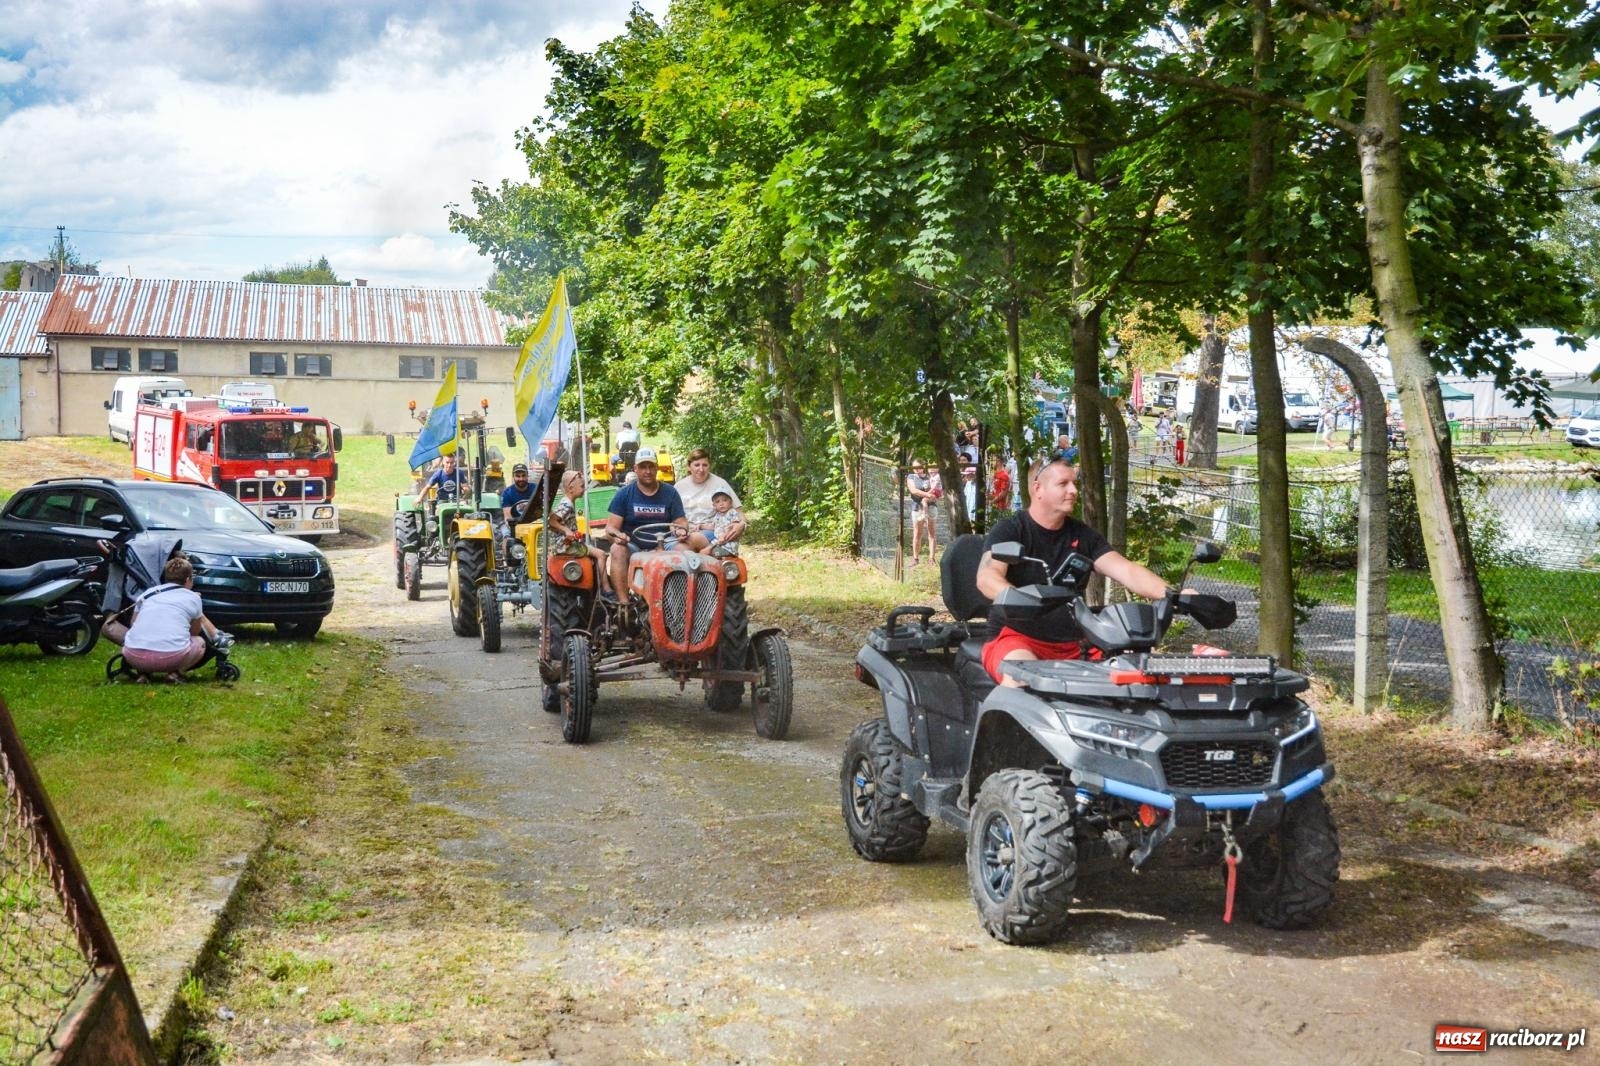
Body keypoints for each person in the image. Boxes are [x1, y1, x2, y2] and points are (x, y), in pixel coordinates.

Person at [975, 455, 1176, 686]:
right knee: (1022, 679)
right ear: (1037, 489)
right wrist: (1023, 600)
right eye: (1063, 484)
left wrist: (1175, 595)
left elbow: (1127, 570)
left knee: (1149, 677)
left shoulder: (1083, 535)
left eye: (1074, 483)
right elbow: (987, 578)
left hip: (1078, 643)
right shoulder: (1010, 530)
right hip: (1016, 639)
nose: (1073, 490)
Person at [117, 556, 224, 682]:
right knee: (199, 642)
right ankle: (175, 674)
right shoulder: (193, 598)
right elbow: (194, 632)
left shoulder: (148, 593)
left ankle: (143, 674)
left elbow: (133, 623)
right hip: (170, 657)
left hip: (133, 655)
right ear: (188, 579)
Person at [600, 447, 688, 601]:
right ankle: (624, 603)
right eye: (642, 467)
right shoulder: (624, 494)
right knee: (617, 549)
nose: (647, 471)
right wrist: (618, 536)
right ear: (635, 469)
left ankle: (680, 603)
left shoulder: (670, 493)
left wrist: (681, 530)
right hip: (634, 545)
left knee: (684, 549)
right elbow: (611, 527)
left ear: (656, 468)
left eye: (651, 466)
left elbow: (681, 522)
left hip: (664, 543)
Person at [549, 469, 613, 597]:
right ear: (571, 488)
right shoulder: (567, 505)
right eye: (582, 486)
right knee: (601, 555)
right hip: (566, 547)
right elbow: (552, 521)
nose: (584, 489)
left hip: (566, 544)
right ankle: (605, 589)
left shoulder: (567, 502)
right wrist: (567, 531)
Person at [675, 447, 742, 552]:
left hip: (711, 530)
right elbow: (671, 516)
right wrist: (678, 530)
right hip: (683, 531)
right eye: (697, 465)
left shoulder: (720, 484)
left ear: (709, 466)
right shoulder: (679, 487)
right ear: (689, 466)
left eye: (705, 465)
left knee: (688, 542)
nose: (701, 469)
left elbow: (740, 513)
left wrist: (741, 524)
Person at [906, 458, 938, 567]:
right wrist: (927, 495)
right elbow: (913, 491)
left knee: (931, 532)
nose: (916, 470)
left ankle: (932, 558)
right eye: (914, 467)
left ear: (923, 466)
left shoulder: (930, 476)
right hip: (917, 507)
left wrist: (933, 496)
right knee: (917, 533)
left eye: (918, 467)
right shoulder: (911, 477)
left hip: (931, 506)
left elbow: (937, 488)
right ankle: (915, 558)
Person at [703, 490, 746, 557]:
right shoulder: (718, 515)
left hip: (728, 545)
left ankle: (730, 563)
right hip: (718, 542)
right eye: (717, 502)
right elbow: (713, 526)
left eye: (724, 500)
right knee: (706, 551)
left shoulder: (732, 512)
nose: (721, 503)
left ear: (730, 502)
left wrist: (723, 536)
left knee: (713, 553)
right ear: (714, 505)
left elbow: (733, 527)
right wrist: (700, 526)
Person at [988, 452, 1011, 516]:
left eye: (992, 460)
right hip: (992, 506)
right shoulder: (994, 474)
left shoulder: (1004, 475)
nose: (991, 462)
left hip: (1000, 507)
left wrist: (992, 502)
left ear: (999, 461)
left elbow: (1003, 493)